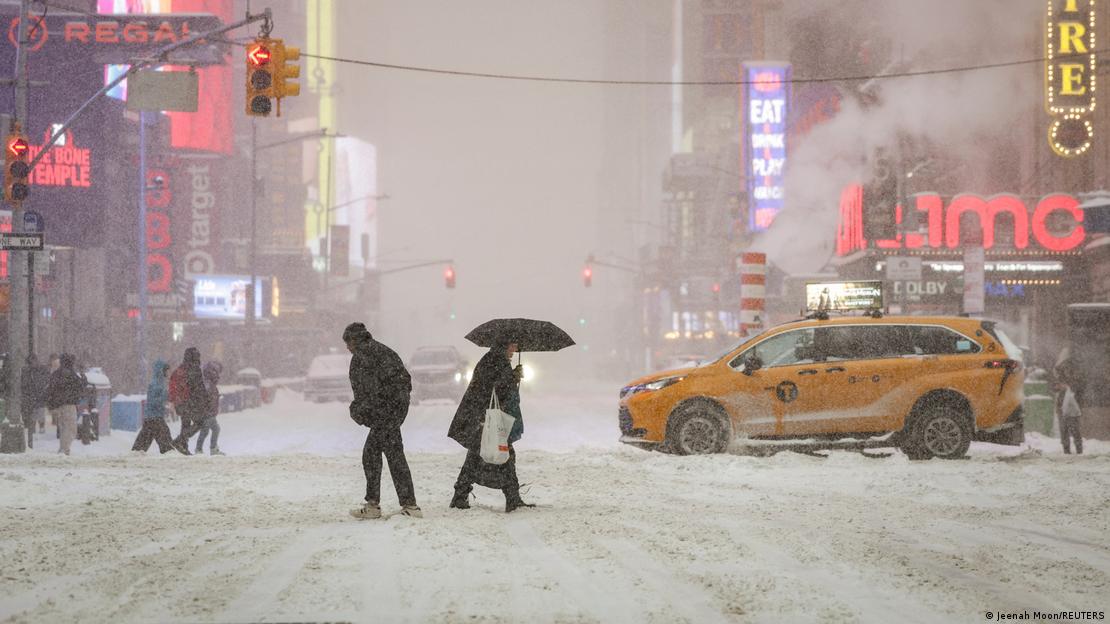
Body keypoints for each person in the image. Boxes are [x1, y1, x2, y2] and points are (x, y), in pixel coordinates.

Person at [344, 322, 422, 519]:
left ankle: (400, 505)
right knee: (386, 455)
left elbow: (369, 392)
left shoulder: (365, 356)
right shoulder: (381, 351)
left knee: (377, 455)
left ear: (354, 340)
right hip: (391, 411)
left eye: (348, 342)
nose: (347, 347)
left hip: (385, 413)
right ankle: (401, 504)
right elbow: (404, 381)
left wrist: (361, 410)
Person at [448, 342, 533, 513]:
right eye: (511, 346)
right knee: (502, 453)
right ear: (503, 346)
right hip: (485, 416)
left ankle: (461, 495)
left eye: (516, 346)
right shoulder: (494, 361)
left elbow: (495, 386)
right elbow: (493, 387)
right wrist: (512, 377)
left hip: (483, 415)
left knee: (479, 455)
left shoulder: (494, 359)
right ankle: (512, 497)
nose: (514, 350)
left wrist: (512, 376)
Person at [132, 360, 179, 454]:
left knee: (144, 440)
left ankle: (136, 453)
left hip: (153, 417)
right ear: (161, 371)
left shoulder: (160, 382)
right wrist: (166, 396)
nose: (168, 372)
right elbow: (153, 401)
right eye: (166, 370)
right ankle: (169, 454)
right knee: (164, 438)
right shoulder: (155, 384)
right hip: (154, 417)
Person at [170, 347, 210, 456]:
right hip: (189, 402)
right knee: (200, 422)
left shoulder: (181, 368)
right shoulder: (194, 368)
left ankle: (183, 447)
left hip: (180, 402)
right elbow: (198, 388)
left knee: (185, 424)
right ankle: (179, 441)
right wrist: (206, 400)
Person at [45, 353, 85, 455]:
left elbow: (50, 389)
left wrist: (51, 404)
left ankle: (62, 448)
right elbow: (80, 386)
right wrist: (83, 377)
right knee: (71, 429)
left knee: (63, 428)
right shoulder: (71, 374)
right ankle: (64, 449)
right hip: (69, 405)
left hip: (58, 405)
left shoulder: (56, 373)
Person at [19, 354, 49, 448]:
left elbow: (45, 381)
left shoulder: (42, 369)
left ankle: (39, 428)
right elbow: (23, 383)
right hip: (30, 398)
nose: (33, 363)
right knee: (31, 417)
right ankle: (32, 432)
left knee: (39, 414)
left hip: (37, 398)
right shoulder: (26, 371)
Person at [195, 361, 224, 456]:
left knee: (206, 431)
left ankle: (200, 449)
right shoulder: (208, 385)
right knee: (214, 429)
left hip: (208, 412)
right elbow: (206, 400)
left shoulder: (208, 384)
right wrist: (209, 410)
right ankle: (211, 448)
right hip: (208, 413)